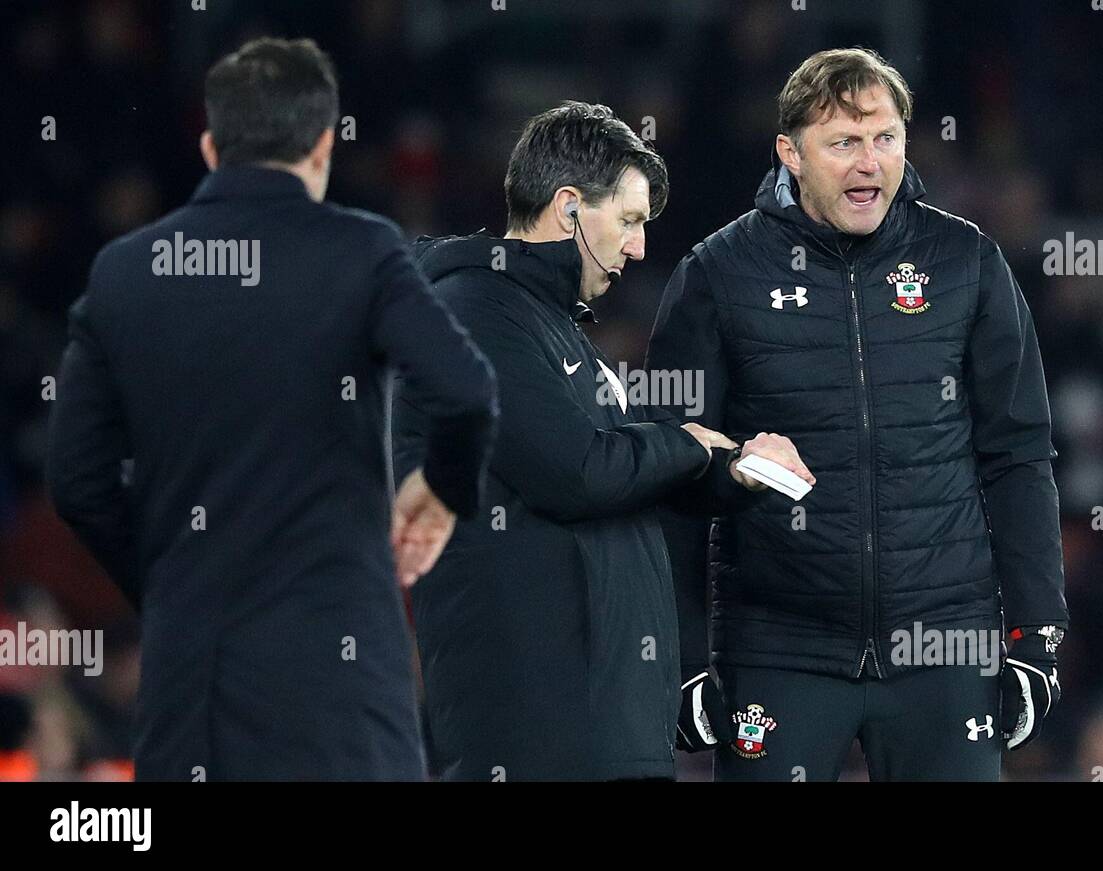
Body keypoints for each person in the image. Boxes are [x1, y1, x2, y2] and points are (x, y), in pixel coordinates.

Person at [45, 37, 497, 781]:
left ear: (210, 144)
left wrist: (171, 582)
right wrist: (439, 491)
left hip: (192, 689)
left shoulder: (126, 271)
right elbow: (466, 391)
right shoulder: (364, 251)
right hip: (341, 689)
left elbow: (77, 480)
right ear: (324, 143)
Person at [648, 48, 1067, 781]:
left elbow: (1020, 458)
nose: (868, 162)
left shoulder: (967, 262)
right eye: (842, 142)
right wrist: (681, 655)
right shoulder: (717, 275)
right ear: (790, 153)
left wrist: (1036, 635)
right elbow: (672, 475)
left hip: (946, 648)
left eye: (885, 138)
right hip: (778, 649)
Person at [394, 102, 813, 781]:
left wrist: (731, 470)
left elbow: (624, 478)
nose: (639, 246)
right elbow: (578, 472)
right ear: (567, 209)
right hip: (536, 735)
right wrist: (687, 443)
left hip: (599, 726)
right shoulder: (474, 312)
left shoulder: (555, 330)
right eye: (628, 220)